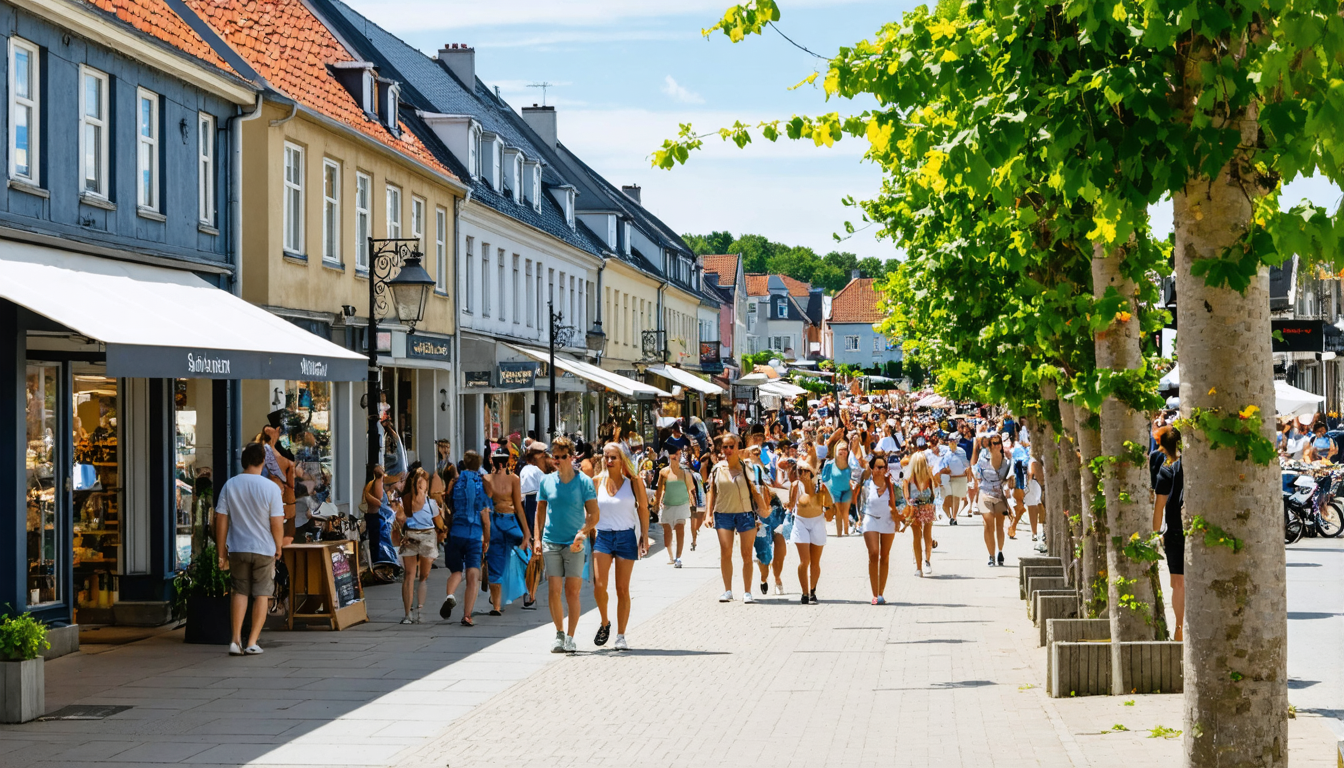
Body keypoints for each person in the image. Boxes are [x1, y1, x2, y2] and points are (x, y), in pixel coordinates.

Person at [214, 442, 284, 656]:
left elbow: (221, 519)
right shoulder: (271, 488)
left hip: (238, 548)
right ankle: (252, 641)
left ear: (244, 461)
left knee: (239, 591)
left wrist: (221, 552)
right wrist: (278, 545)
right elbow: (276, 522)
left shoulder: (230, 485)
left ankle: (235, 641)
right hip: (264, 548)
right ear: (262, 461)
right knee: (262, 594)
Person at [534, 437, 600, 653]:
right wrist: (537, 539)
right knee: (553, 590)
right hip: (551, 541)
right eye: (555, 457)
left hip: (575, 544)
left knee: (572, 592)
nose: (558, 461)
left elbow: (594, 515)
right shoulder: (546, 481)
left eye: (563, 457)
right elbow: (540, 512)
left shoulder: (584, 482)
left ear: (572, 457)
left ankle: (571, 636)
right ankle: (559, 633)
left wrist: (583, 533)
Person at [592, 443, 650, 650]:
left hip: (626, 536)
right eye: (606, 457)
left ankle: (621, 635)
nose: (609, 461)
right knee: (599, 585)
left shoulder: (633, 482)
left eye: (613, 457)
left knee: (622, 588)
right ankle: (605, 622)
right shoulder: (597, 481)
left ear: (622, 459)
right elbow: (589, 510)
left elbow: (643, 509)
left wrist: (644, 536)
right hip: (603, 536)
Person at [706, 434, 767, 603]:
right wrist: (708, 514)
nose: (728, 450)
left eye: (731, 446)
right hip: (723, 513)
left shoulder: (747, 468)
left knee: (746, 553)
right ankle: (728, 590)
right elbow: (711, 491)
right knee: (726, 551)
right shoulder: (717, 469)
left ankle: (747, 592)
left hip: (745, 513)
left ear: (737, 447)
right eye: (725, 447)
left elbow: (758, 488)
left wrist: (764, 509)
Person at [440, 451, 492, 626]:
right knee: (472, 575)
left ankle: (450, 595)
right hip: (474, 535)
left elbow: (448, 505)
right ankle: (467, 615)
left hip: (456, 532)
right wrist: (487, 539)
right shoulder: (480, 484)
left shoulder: (456, 483)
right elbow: (485, 517)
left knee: (456, 572)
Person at [395, 467, 442, 624]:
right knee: (420, 577)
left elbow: (399, 518)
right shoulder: (430, 503)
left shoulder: (405, 500)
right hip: (424, 537)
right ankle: (417, 612)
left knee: (411, 576)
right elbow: (439, 524)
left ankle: (409, 614)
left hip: (413, 536)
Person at [1152, 426, 1186, 641]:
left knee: (1178, 583)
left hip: (1175, 531)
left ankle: (1179, 629)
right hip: (1197, 530)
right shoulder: (1194, 468)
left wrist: (1154, 535)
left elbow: (1159, 508)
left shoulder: (1166, 470)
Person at [485, 452, 529, 616]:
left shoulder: (487, 479)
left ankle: (496, 606)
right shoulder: (514, 479)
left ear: (493, 462)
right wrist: (527, 533)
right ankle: (529, 594)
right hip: (510, 522)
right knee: (526, 556)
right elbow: (519, 508)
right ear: (507, 462)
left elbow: (486, 504)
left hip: (495, 522)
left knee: (495, 561)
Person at [787, 461, 832, 602]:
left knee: (815, 561)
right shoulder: (795, 486)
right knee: (804, 560)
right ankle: (804, 593)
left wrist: (829, 510)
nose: (801, 474)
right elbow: (790, 505)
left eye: (805, 471)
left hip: (817, 522)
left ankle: (812, 590)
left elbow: (829, 507)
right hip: (801, 522)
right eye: (799, 471)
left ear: (811, 473)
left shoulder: (820, 487)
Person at [861, 454, 900, 604]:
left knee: (884, 556)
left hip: (887, 521)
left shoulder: (891, 484)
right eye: (877, 467)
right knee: (873, 553)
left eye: (883, 467)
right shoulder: (866, 484)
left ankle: (881, 593)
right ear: (872, 468)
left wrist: (899, 518)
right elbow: (859, 502)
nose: (880, 470)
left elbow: (901, 503)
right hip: (870, 519)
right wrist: (859, 518)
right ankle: (874, 595)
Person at [653, 444, 694, 567]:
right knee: (667, 534)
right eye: (674, 454)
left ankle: (678, 558)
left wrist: (693, 502)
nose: (676, 456)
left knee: (680, 529)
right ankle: (671, 556)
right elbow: (659, 489)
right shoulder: (663, 472)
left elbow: (690, 488)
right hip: (667, 505)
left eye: (678, 454)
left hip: (682, 504)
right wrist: (656, 504)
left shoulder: (685, 472)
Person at [975, 434, 1013, 567]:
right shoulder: (983, 458)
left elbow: (1009, 478)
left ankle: (1000, 551)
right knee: (987, 523)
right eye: (994, 443)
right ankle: (991, 555)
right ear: (989, 446)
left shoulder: (1006, 461)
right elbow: (977, 474)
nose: (997, 446)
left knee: (999, 525)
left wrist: (1009, 483)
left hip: (999, 494)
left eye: (999, 443)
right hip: (985, 492)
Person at [903, 451, 936, 577]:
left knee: (927, 536)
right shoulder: (908, 479)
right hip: (914, 510)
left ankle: (927, 561)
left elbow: (934, 493)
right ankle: (918, 566)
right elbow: (906, 496)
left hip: (927, 508)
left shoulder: (929, 477)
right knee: (917, 536)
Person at [823, 417, 856, 537]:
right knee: (838, 512)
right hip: (835, 490)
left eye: (844, 451)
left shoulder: (850, 462)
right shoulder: (830, 463)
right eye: (840, 451)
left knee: (845, 511)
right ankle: (839, 534)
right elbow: (824, 478)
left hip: (846, 489)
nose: (843, 453)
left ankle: (846, 532)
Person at [938, 433, 971, 525]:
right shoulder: (944, 451)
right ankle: (949, 515)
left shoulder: (961, 451)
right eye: (950, 441)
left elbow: (966, 465)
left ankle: (954, 517)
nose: (952, 442)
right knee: (948, 498)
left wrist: (969, 478)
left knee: (956, 497)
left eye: (954, 441)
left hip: (958, 477)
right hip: (947, 478)